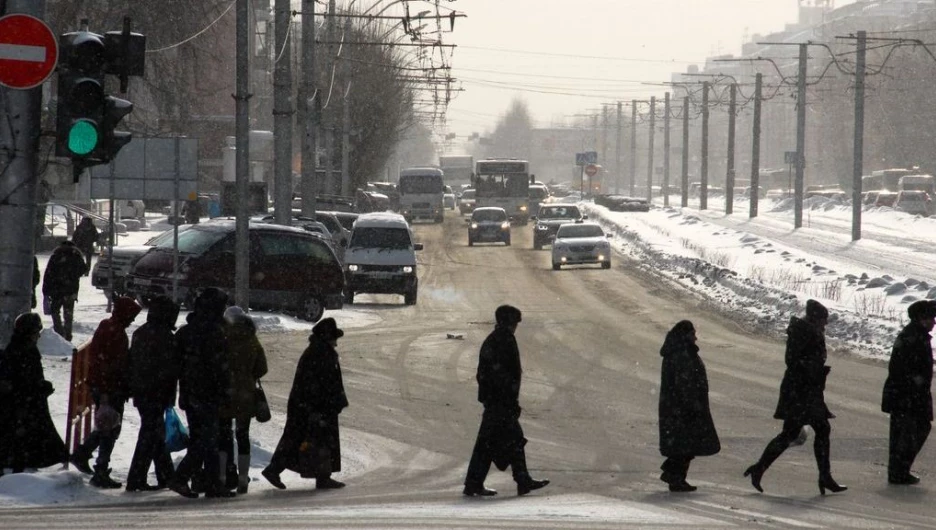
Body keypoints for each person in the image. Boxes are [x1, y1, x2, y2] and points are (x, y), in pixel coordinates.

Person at [744, 299, 847, 495]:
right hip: (801, 391)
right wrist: (813, 369)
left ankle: (761, 468)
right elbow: (793, 360)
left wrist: (816, 371)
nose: (825, 324)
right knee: (812, 430)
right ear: (815, 319)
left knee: (800, 432)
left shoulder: (807, 332)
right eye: (824, 320)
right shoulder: (803, 333)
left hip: (805, 390)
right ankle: (824, 476)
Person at [463, 305, 549, 497]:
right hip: (501, 403)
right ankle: (522, 480)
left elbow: (483, 374)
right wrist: (509, 401)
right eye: (515, 323)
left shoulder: (493, 339)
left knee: (489, 443)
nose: (516, 327)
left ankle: (476, 483)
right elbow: (505, 375)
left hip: (495, 402)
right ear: (510, 322)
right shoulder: (505, 340)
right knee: (513, 440)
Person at [263, 318, 348, 491]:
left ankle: (279, 469)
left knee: (300, 439)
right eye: (334, 338)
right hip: (313, 406)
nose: (336, 343)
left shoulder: (317, 351)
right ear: (327, 337)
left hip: (308, 405)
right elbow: (322, 384)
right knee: (313, 440)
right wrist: (323, 405)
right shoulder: (321, 353)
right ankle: (321, 477)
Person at [70, 296, 142, 488]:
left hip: (104, 386)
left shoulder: (107, 327)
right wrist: (107, 393)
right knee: (110, 429)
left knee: (107, 426)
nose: (132, 320)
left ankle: (83, 454)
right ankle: (99, 467)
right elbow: (111, 366)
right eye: (131, 316)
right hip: (109, 388)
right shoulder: (115, 333)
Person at [168, 287, 233, 499]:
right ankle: (182, 477)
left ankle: (211, 483)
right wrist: (225, 390)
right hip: (207, 395)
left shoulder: (186, 332)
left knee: (204, 439)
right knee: (207, 441)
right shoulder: (214, 333)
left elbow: (176, 365)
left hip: (190, 394)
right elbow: (220, 368)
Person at [126, 296, 181, 492]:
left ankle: (166, 476)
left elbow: (133, 362)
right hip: (156, 393)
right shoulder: (165, 336)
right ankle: (137, 478)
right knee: (150, 436)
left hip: (143, 393)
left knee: (155, 435)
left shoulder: (142, 333)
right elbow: (169, 369)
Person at [0, 313, 66, 475]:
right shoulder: (21, 351)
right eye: (36, 332)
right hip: (22, 404)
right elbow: (21, 381)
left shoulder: (24, 348)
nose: (38, 336)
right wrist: (39, 388)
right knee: (19, 441)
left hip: (28, 402)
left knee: (22, 440)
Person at [658, 320, 720, 492]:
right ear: (684, 335)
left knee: (685, 443)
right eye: (692, 334)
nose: (695, 338)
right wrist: (691, 404)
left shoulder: (681, 351)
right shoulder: (681, 354)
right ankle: (674, 476)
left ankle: (674, 475)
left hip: (680, 406)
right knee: (685, 443)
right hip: (683, 407)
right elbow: (684, 382)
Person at [882, 300, 936, 485]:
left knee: (909, 431)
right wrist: (914, 381)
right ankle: (898, 471)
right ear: (921, 318)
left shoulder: (917, 335)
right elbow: (898, 367)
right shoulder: (912, 337)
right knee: (908, 432)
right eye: (931, 318)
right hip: (906, 396)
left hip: (910, 395)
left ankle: (899, 470)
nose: (934, 322)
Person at [218, 306, 268, 494]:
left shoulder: (223, 338)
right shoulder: (252, 339)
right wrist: (248, 375)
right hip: (246, 394)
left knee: (224, 436)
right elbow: (262, 368)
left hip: (225, 393)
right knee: (243, 435)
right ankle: (242, 479)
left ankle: (222, 477)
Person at [41, 240, 88, 341]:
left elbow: (48, 274)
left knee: (55, 311)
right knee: (68, 313)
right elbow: (84, 269)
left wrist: (46, 291)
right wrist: (72, 276)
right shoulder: (76, 256)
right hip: (70, 290)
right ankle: (68, 335)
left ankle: (59, 332)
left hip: (56, 290)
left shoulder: (56, 255)